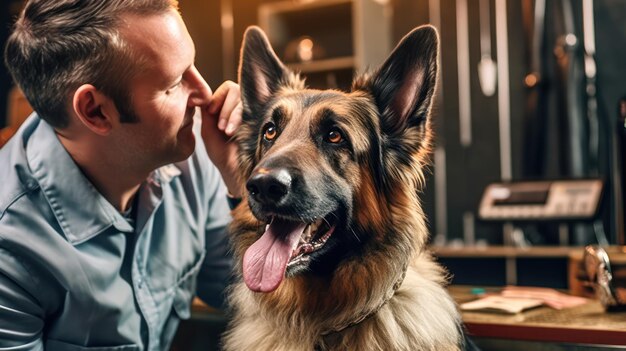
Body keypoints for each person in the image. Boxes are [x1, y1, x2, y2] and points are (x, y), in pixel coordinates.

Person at [0, 0, 242, 349]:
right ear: (95, 111)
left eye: (193, 64)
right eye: (174, 84)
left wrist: (240, 184)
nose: (205, 93)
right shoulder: (11, 251)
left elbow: (237, 293)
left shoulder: (194, 148)